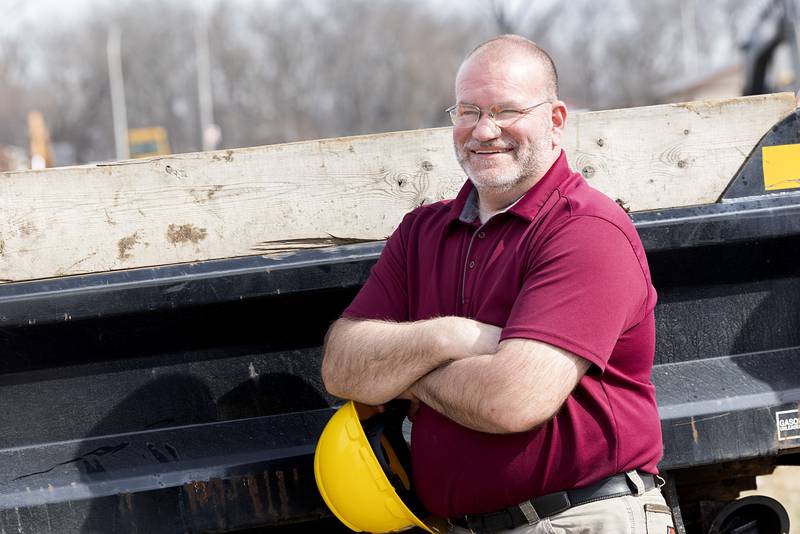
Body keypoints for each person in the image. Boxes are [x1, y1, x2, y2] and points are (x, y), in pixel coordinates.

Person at [321, 34, 673, 534]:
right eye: (468, 111)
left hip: (578, 520)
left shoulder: (586, 230)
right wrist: (451, 338)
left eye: (506, 110)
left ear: (555, 121)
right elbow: (341, 366)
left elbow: (511, 400)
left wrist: (400, 372)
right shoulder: (421, 232)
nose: (484, 130)